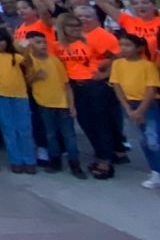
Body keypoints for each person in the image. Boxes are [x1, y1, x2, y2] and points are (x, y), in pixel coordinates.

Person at [55, 13, 116, 179]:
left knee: (100, 123)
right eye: (71, 26)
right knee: (86, 123)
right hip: (74, 87)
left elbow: (115, 57)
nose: (75, 29)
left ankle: (105, 161)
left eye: (77, 25)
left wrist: (104, 75)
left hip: (94, 85)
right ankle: (101, 155)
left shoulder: (89, 41)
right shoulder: (57, 46)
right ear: (62, 28)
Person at [24, 32, 85, 179]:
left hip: (62, 103)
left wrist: (71, 105)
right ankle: (55, 160)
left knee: (69, 135)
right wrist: (35, 76)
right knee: (50, 134)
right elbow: (26, 82)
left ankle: (74, 163)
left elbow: (66, 84)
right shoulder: (30, 61)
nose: (43, 45)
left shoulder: (55, 61)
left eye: (44, 42)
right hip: (44, 103)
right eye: (38, 43)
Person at [108, 33, 160, 189]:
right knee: (143, 141)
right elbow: (117, 86)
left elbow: (151, 89)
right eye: (121, 45)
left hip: (146, 105)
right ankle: (156, 172)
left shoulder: (147, 66)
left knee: (153, 140)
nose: (123, 48)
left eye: (128, 45)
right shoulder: (118, 64)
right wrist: (128, 109)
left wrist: (141, 110)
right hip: (129, 105)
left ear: (139, 48)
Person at [0, 29, 36, 174]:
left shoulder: (15, 55)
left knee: (24, 128)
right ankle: (15, 160)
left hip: (20, 95)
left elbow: (28, 63)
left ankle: (29, 160)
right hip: (0, 96)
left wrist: (24, 48)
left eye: (1, 40)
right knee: (8, 129)